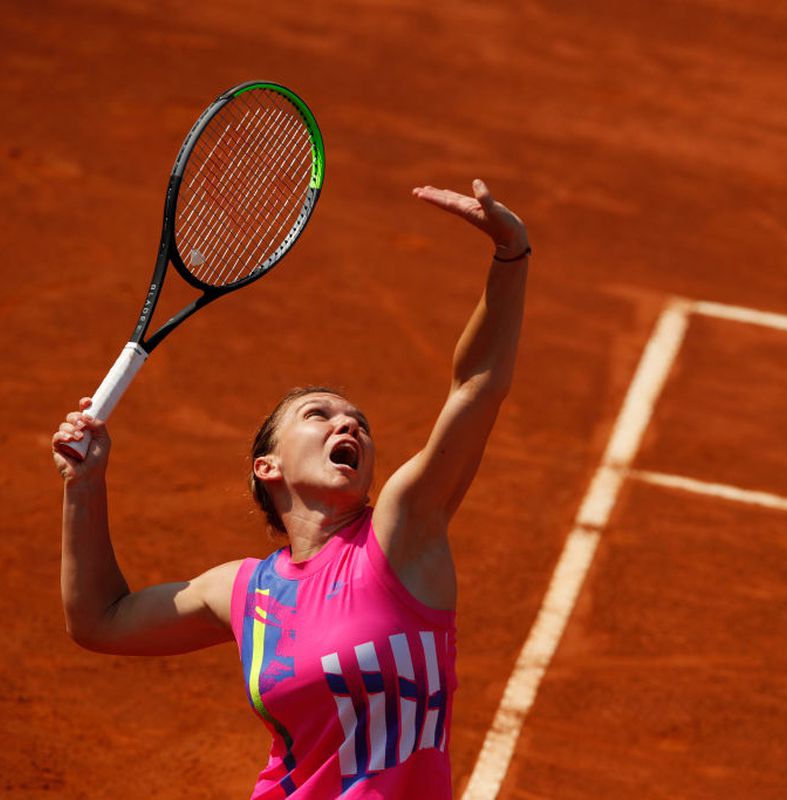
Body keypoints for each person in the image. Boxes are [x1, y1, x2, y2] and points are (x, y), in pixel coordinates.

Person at [52, 179, 529, 799]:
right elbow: (99, 620)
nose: (347, 425)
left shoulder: (400, 534)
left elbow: (477, 386)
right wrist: (85, 485)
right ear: (267, 467)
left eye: (358, 423)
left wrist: (510, 255)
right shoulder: (245, 591)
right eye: (318, 415)